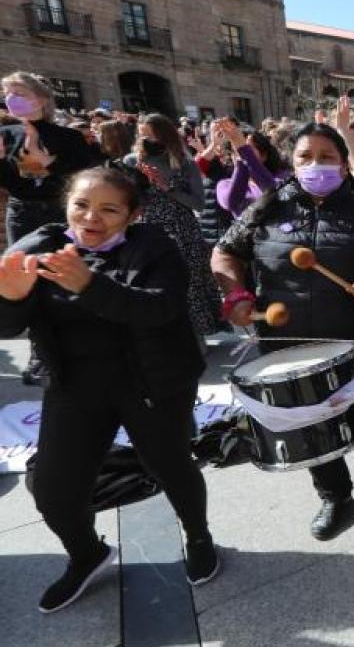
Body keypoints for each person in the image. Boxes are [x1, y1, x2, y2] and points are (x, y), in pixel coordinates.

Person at [0, 166, 217, 612]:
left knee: (171, 465)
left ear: (132, 215)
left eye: (108, 209)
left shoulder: (155, 247)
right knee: (54, 489)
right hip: (75, 385)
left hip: (152, 381)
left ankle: (198, 535)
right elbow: (8, 324)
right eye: (81, 205)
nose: (90, 218)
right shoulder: (40, 246)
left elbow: (157, 309)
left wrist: (88, 284)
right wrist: (13, 297)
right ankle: (87, 554)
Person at [212, 123, 354, 540]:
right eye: (305, 157)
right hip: (289, 343)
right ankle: (333, 495)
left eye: (326, 157)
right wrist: (236, 296)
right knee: (310, 421)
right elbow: (225, 252)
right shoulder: (268, 207)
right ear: (292, 162)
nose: (315, 165)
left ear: (343, 164)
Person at [0, 72, 104, 383]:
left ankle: (75, 348)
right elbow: (9, 183)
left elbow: (87, 181)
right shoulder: (6, 136)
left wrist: (50, 165)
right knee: (26, 280)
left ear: (41, 99)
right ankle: (40, 356)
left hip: (58, 213)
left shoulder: (68, 138)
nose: (11, 98)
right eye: (7, 92)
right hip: (22, 212)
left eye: (19, 92)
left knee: (63, 278)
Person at [124, 113, 220, 336]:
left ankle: (197, 333)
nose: (147, 141)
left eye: (151, 136)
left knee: (190, 282)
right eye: (142, 136)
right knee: (157, 283)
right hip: (149, 229)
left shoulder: (185, 164)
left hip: (183, 230)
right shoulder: (132, 162)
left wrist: (167, 187)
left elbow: (198, 204)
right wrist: (139, 184)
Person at [212, 117, 289, 218]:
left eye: (250, 149)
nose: (239, 154)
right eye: (235, 151)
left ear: (264, 155)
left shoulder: (282, 177)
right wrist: (242, 160)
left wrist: (244, 150)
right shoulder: (224, 184)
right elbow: (231, 201)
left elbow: (272, 190)